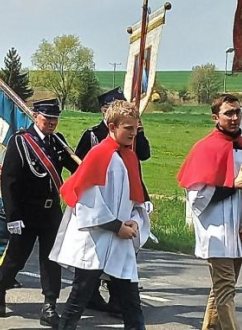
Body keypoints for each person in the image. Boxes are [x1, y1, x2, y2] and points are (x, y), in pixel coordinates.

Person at [51, 100, 152, 330]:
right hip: (96, 241)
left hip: (121, 241)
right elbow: (87, 204)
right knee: (79, 298)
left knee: (131, 303)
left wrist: (135, 222)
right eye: (128, 128)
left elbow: (137, 199)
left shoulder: (130, 157)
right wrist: (117, 226)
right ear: (112, 126)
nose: (133, 133)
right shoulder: (98, 155)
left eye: (135, 128)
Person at [177, 94, 242, 330]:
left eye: (238, 112)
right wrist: (232, 185)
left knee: (221, 290)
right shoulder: (205, 149)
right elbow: (196, 196)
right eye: (229, 113)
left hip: (240, 232)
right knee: (226, 290)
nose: (235, 117)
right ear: (215, 117)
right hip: (216, 232)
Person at [0, 98, 78, 328]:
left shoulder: (58, 141)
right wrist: (13, 216)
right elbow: (9, 182)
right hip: (26, 212)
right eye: (47, 118)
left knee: (52, 259)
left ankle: (50, 305)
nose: (51, 122)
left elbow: (75, 168)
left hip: (51, 212)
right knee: (17, 258)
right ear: (35, 115)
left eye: (55, 118)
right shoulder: (21, 142)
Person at [75, 88, 152, 316]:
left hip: (126, 200)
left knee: (126, 267)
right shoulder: (93, 136)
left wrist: (140, 131)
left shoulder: (132, 138)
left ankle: (119, 301)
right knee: (85, 283)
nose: (130, 132)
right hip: (101, 207)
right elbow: (81, 169)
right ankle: (91, 297)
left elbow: (143, 156)